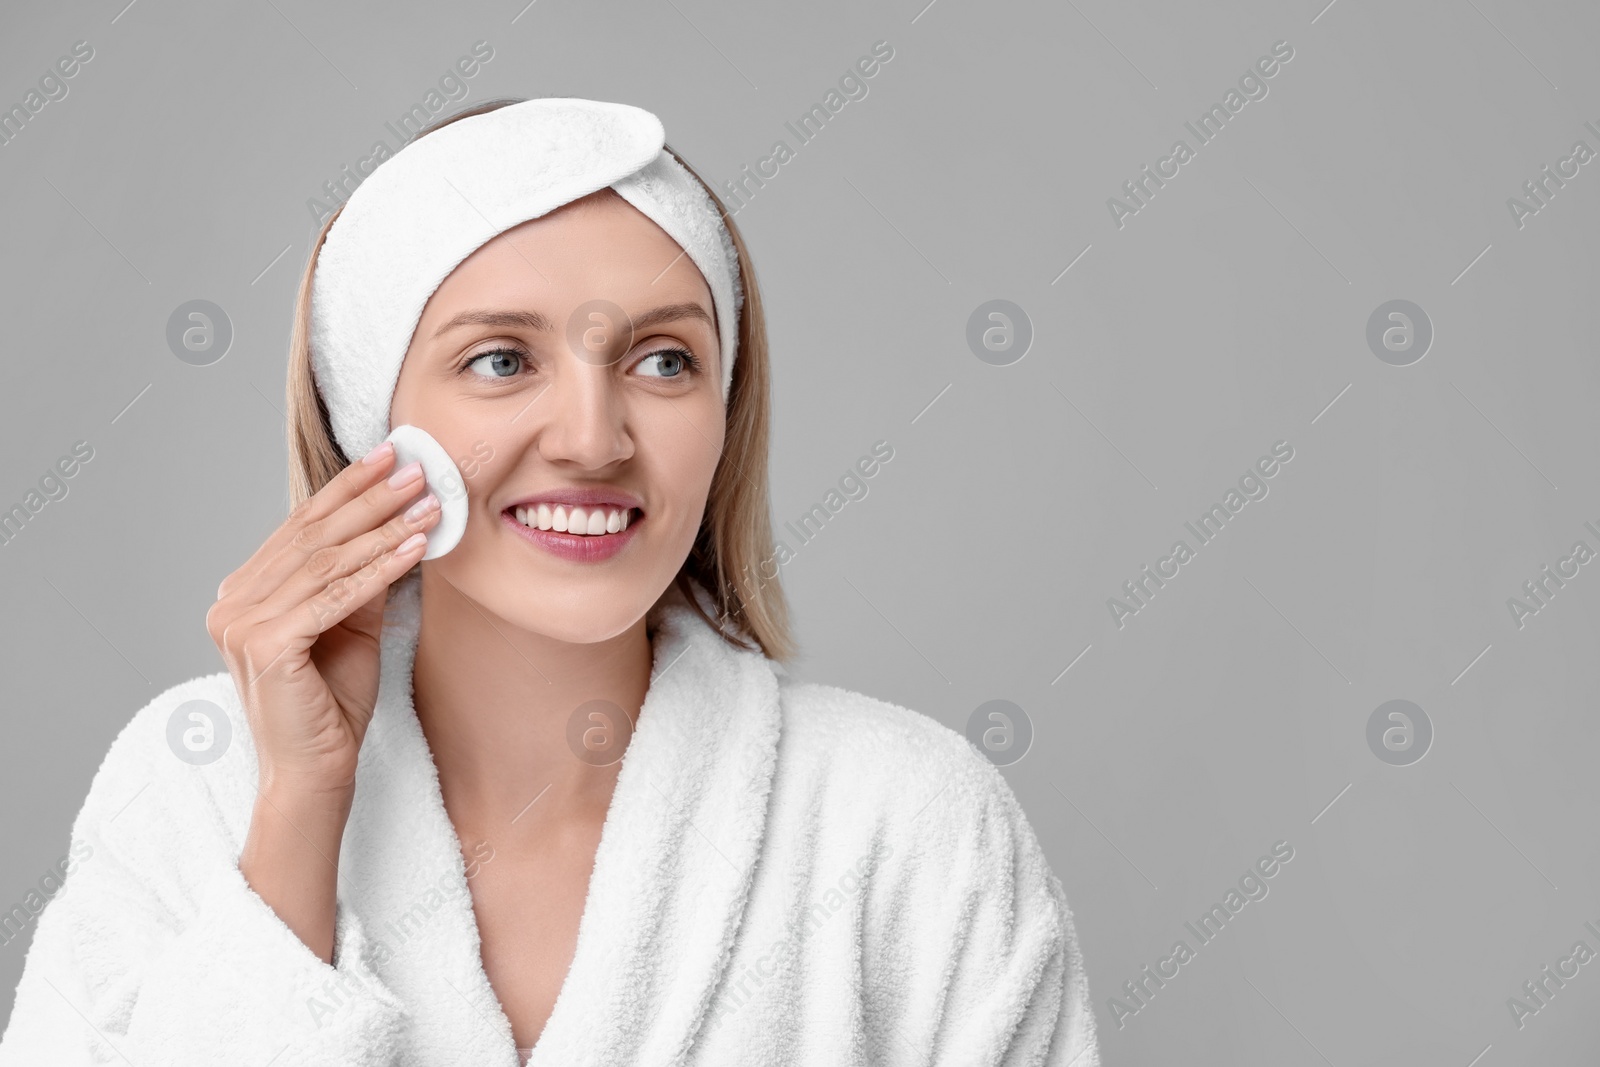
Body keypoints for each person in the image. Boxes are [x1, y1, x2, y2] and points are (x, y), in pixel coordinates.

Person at [0, 96, 1099, 1066]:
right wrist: (299, 807)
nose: (591, 437)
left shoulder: (904, 817)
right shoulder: (193, 784)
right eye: (501, 360)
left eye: (664, 359)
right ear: (375, 422)